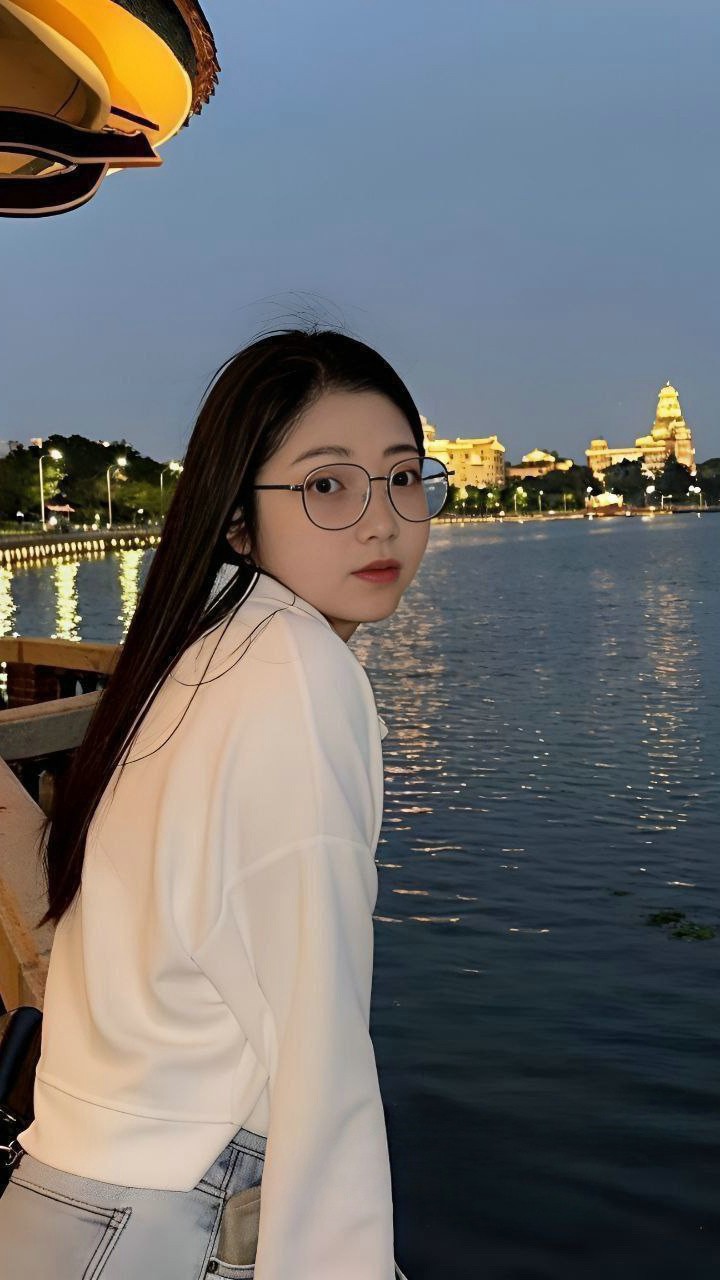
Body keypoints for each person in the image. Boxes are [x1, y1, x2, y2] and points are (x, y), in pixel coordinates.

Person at [0, 327, 449, 1278]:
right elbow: (319, 1044)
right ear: (239, 520)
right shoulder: (297, 670)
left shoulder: (209, 646)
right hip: (168, 1220)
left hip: (72, 1200)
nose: (382, 521)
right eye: (328, 485)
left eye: (404, 477)